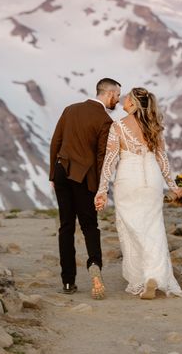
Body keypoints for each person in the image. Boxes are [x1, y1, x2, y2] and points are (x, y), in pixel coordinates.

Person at [94, 87, 182, 299]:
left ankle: (141, 279)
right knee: (153, 228)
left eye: (127, 98)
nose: (123, 100)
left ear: (134, 104)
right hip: (152, 180)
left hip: (128, 180)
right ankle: (153, 275)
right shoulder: (154, 128)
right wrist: (173, 186)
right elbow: (162, 160)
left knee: (131, 228)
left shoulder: (118, 127)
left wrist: (101, 190)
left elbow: (110, 161)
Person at [49, 77, 121, 298]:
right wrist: (101, 188)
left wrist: (53, 173)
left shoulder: (70, 109)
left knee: (66, 227)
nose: (118, 100)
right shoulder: (104, 120)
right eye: (117, 95)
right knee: (90, 226)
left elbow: (56, 142)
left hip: (62, 171)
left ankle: (68, 281)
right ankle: (94, 264)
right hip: (85, 178)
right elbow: (102, 157)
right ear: (108, 94)